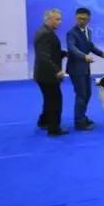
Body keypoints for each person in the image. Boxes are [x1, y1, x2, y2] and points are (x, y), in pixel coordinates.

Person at [66, 7, 104, 131]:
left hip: (85, 67)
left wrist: (102, 54)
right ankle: (79, 122)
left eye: (84, 19)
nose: (81, 21)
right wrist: (84, 56)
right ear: (75, 18)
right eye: (79, 18)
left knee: (88, 94)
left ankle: (82, 117)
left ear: (89, 19)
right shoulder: (71, 33)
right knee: (81, 95)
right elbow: (71, 48)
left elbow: (90, 46)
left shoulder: (88, 31)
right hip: (75, 69)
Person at [34, 8, 68, 136]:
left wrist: (64, 53)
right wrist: (57, 71)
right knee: (55, 101)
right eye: (57, 19)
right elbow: (44, 57)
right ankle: (54, 129)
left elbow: (51, 52)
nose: (60, 22)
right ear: (48, 19)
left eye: (60, 19)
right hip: (48, 75)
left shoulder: (45, 32)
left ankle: (44, 121)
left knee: (49, 99)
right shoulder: (45, 34)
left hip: (43, 74)